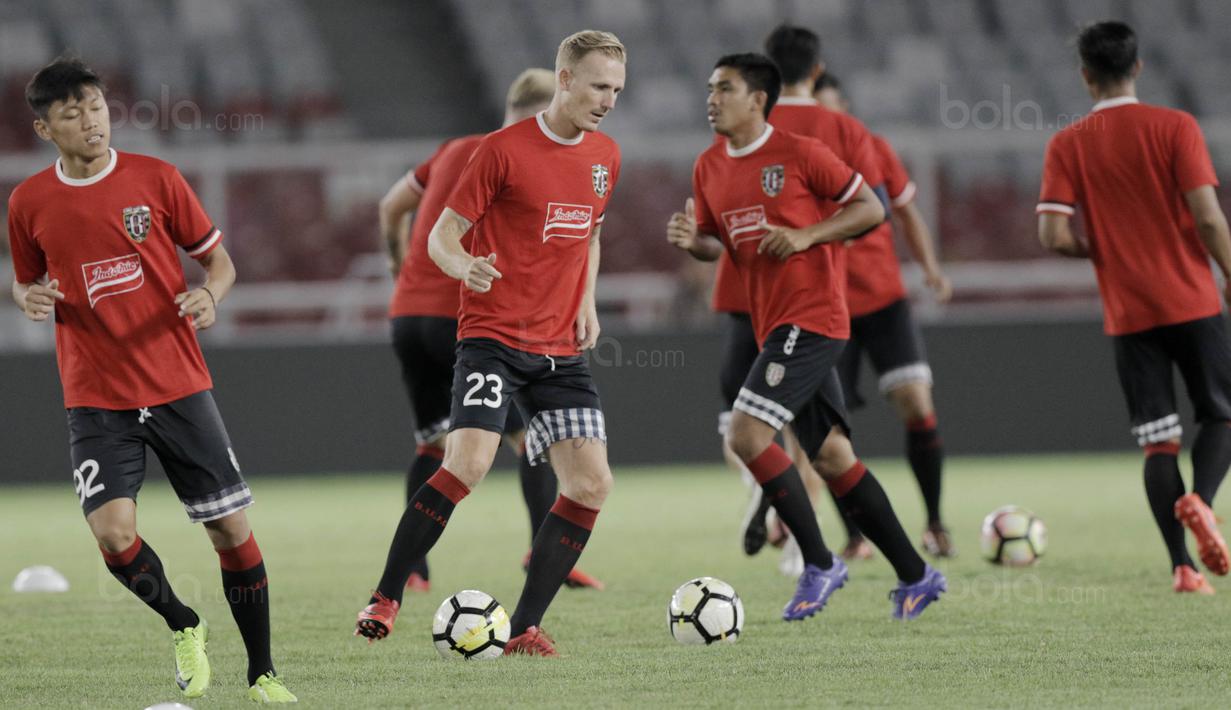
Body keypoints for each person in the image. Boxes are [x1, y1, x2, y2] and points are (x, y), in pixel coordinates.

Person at [6, 58, 295, 703]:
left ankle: (263, 672)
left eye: (97, 106)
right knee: (112, 533)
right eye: (73, 112)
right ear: (45, 127)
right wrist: (25, 294)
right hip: (94, 396)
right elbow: (25, 278)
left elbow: (218, 261)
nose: (91, 120)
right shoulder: (28, 201)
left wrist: (211, 297)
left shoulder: (157, 178)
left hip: (177, 385)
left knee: (231, 531)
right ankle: (183, 623)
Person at [355, 30, 625, 655]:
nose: (608, 100)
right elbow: (442, 236)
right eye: (597, 86)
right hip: (492, 338)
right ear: (564, 80)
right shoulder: (501, 151)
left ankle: (524, 628)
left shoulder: (607, 155)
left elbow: (589, 234)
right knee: (467, 464)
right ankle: (388, 594)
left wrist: (586, 302)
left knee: (591, 483)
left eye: (616, 89)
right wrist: (461, 267)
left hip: (560, 348)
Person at [668, 53, 946, 620]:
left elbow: (871, 208)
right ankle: (917, 575)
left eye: (725, 88)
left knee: (747, 435)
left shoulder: (800, 153)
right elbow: (715, 243)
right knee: (834, 458)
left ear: (758, 99)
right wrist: (689, 241)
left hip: (814, 317)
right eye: (709, 88)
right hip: (772, 322)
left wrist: (806, 236)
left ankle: (819, 561)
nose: (711, 98)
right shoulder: (708, 166)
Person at [378, 68, 602, 593]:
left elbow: (391, 207)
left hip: (408, 316)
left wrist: (396, 264)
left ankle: (412, 572)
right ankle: (541, 551)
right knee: (536, 441)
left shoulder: (455, 149)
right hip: (470, 315)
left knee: (435, 446)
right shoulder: (518, 156)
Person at [1037, 21, 1231, 594]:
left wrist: (1099, 249)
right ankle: (1204, 500)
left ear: (1085, 77)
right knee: (1219, 413)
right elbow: (1207, 217)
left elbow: (1051, 234)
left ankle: (1183, 568)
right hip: (1192, 298)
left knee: (1158, 440)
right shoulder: (1175, 127)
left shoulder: (1068, 142)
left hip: (1129, 311)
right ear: (1138, 68)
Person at [813, 72, 956, 559]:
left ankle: (935, 524)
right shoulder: (797, 157)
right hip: (827, 307)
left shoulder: (871, 147)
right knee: (829, 432)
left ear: (845, 107)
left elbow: (906, 211)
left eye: (831, 110)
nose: (824, 121)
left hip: (884, 299)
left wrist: (931, 268)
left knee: (916, 402)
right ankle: (855, 537)